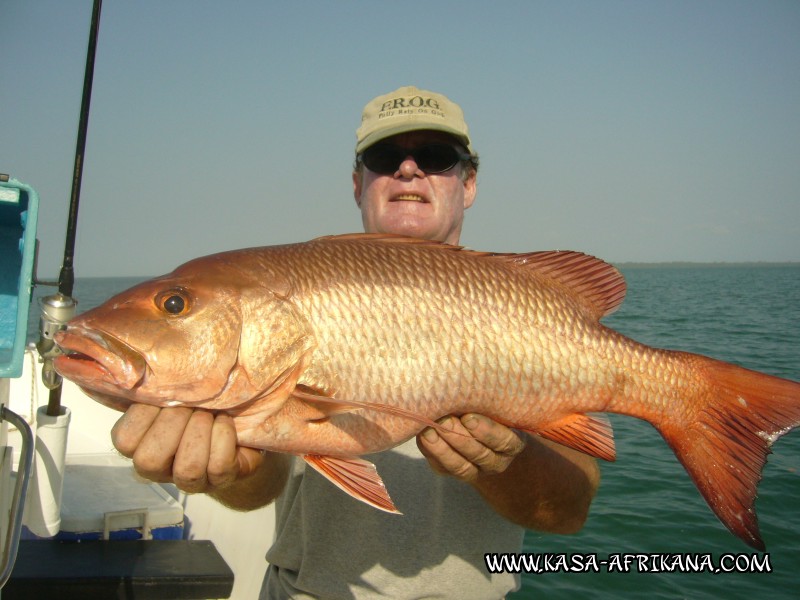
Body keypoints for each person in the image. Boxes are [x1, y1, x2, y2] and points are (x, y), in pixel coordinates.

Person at [110, 86, 600, 599]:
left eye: (436, 157)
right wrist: (231, 470)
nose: (408, 170)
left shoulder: (530, 308)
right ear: (357, 183)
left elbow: (569, 512)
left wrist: (507, 462)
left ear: (469, 183)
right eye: (385, 158)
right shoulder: (290, 288)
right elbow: (262, 481)